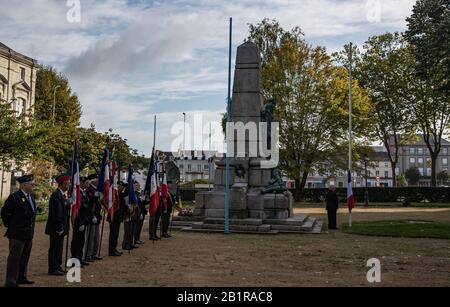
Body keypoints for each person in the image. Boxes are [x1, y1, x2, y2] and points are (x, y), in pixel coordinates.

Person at [1, 174, 37, 287]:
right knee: (14, 258)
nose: (33, 186)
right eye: (32, 184)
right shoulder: (14, 197)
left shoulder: (30, 197)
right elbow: (4, 213)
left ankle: (21, 277)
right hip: (17, 234)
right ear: (24, 185)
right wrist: (11, 226)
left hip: (28, 233)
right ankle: (10, 281)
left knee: (25, 256)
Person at [45, 174, 71, 276]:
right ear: (63, 184)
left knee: (59, 247)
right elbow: (57, 213)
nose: (69, 185)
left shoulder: (61, 195)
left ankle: (58, 266)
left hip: (60, 226)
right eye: (68, 183)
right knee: (55, 247)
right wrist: (59, 226)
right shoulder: (56, 195)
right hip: (56, 227)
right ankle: (52, 268)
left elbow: (63, 210)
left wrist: (68, 204)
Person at [70, 176, 90, 267]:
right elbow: (76, 210)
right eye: (86, 183)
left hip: (83, 220)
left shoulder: (83, 193)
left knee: (81, 241)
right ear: (81, 183)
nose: (88, 185)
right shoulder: (77, 193)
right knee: (76, 241)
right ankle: (74, 260)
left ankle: (80, 258)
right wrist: (80, 222)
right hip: (78, 221)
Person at [85, 174, 103, 262]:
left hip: (97, 216)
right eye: (97, 179)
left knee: (96, 237)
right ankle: (88, 255)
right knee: (90, 237)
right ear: (92, 180)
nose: (98, 180)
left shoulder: (96, 190)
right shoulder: (89, 190)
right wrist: (92, 216)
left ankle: (94, 253)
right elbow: (89, 205)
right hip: (92, 216)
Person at [108, 181, 126, 256]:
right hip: (114, 216)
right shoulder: (114, 194)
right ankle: (111, 250)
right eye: (121, 187)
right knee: (113, 234)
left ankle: (113, 249)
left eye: (123, 187)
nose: (122, 188)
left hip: (117, 217)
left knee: (115, 234)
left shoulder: (120, 194)